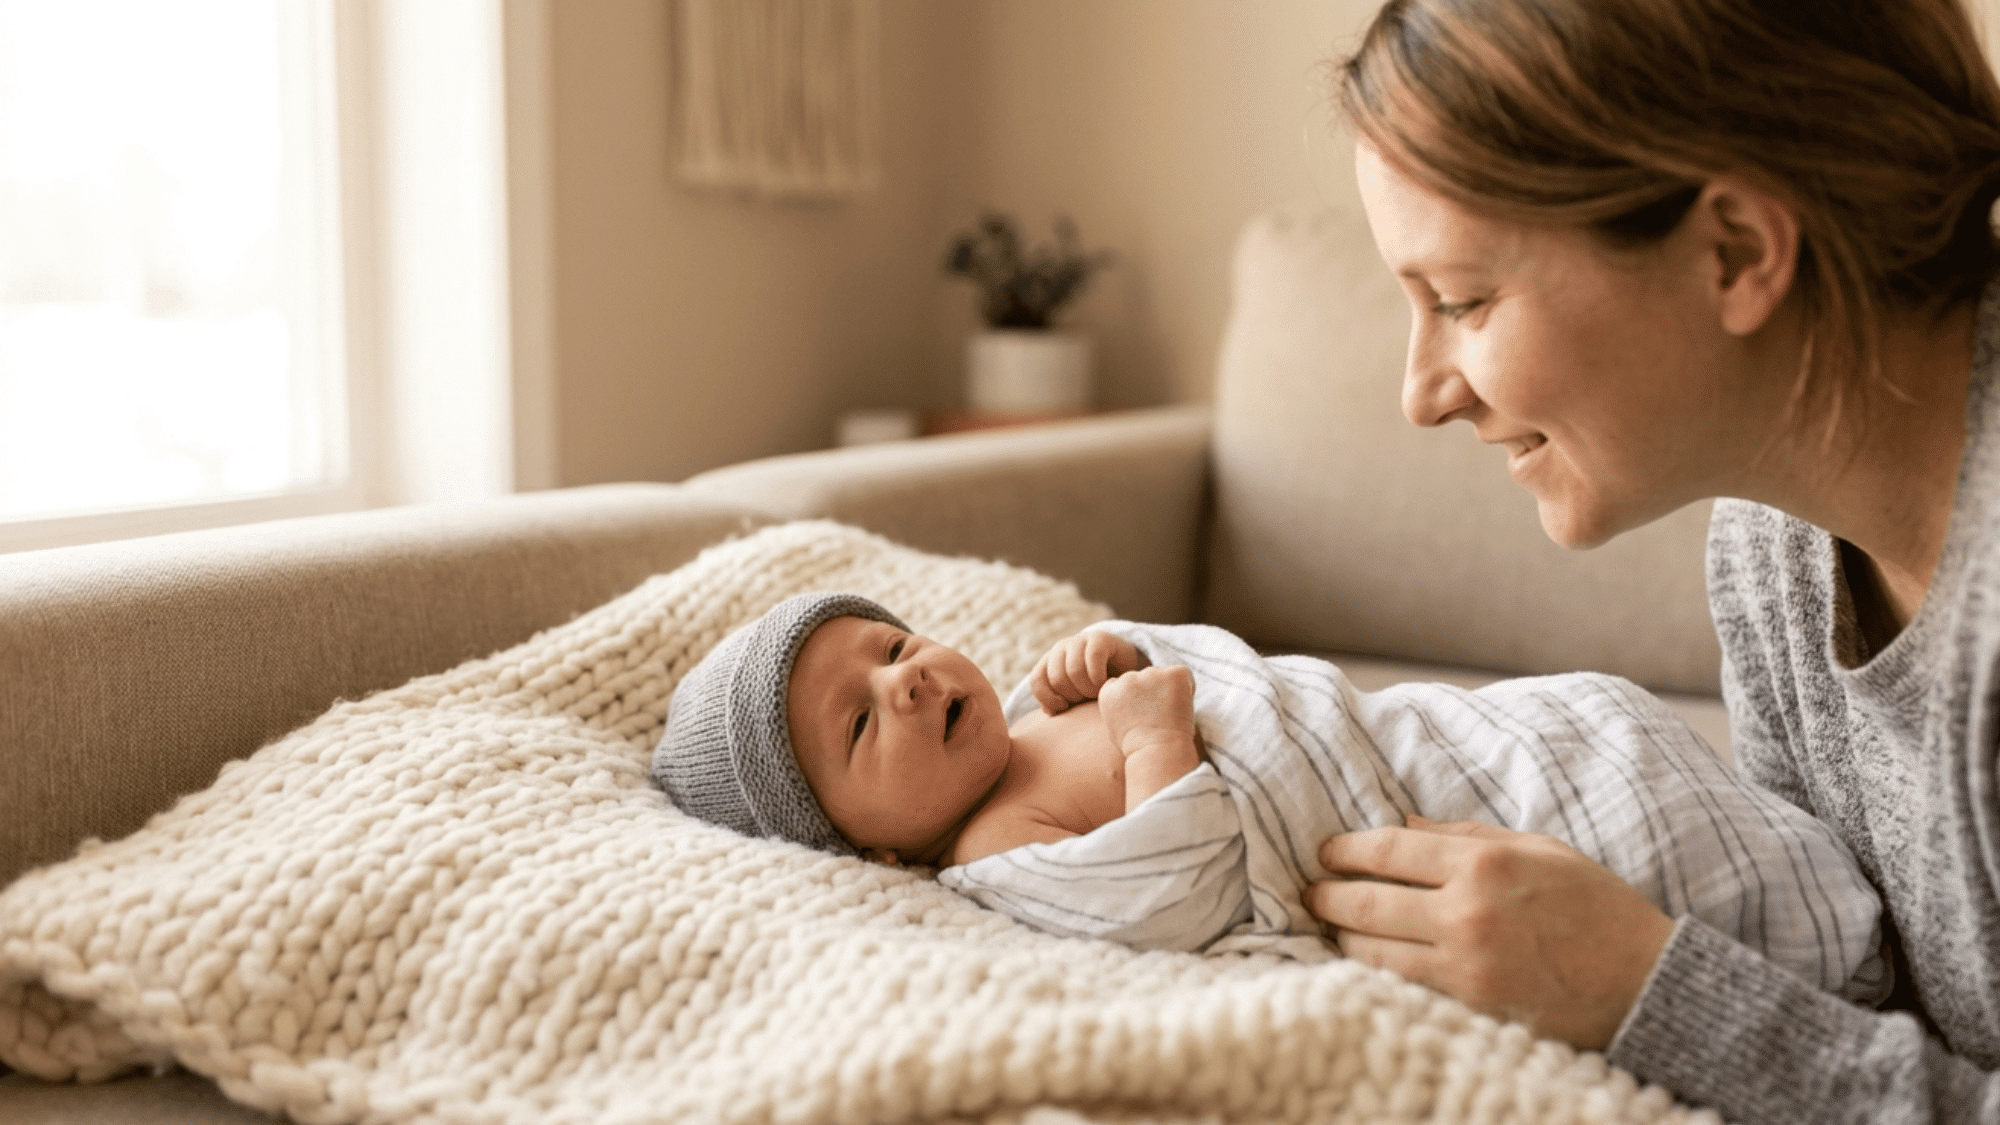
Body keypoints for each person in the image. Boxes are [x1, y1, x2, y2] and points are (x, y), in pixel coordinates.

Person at [1313, 0, 2000, 1120]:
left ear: (1734, 251)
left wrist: (1641, 987)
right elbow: (1845, 980)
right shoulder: (1769, 544)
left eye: (1461, 299)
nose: (1421, 392)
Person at [649, 591, 1887, 1002]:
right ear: (858, 853)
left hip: (1415, 733)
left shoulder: (1030, 717)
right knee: (1631, 831)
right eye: (860, 723)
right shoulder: (992, 844)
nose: (909, 686)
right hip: (1401, 808)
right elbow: (1172, 893)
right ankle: (1836, 938)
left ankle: (1836, 861)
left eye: (893, 647)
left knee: (1604, 728)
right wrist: (1151, 732)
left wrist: (1112, 655)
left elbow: (1213, 667)